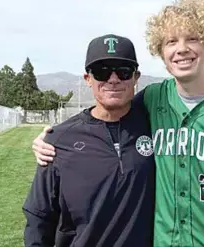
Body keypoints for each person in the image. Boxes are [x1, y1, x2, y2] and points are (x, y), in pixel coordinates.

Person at [31, 0, 204, 247]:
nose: (182, 48)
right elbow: (106, 111)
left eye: (192, 38)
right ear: (161, 51)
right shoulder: (153, 99)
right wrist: (52, 138)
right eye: (171, 41)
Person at [23, 34, 156, 247]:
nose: (113, 79)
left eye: (123, 71)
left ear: (135, 77)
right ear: (88, 79)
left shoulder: (157, 126)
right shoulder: (58, 140)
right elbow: (39, 218)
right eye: (102, 71)